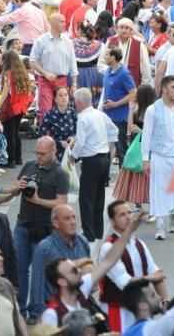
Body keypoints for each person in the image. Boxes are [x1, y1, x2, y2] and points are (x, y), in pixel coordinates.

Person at [39, 211, 145, 328]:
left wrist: (128, 231)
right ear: (62, 282)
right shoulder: (51, 314)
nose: (79, 271)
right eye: (74, 271)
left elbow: (108, 261)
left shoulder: (82, 289)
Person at [10, 137, 70, 320]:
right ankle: (20, 310)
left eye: (42, 154)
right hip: (22, 226)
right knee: (18, 268)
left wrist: (37, 200)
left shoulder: (60, 174)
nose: (38, 156)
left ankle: (37, 311)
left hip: (44, 230)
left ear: (53, 152)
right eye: (36, 152)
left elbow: (62, 202)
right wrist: (17, 187)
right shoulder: (29, 165)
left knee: (39, 273)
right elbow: (15, 186)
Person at [98, 200, 167, 332]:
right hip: (117, 311)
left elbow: (158, 275)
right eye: (122, 215)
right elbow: (125, 283)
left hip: (141, 310)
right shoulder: (108, 248)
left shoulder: (139, 244)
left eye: (129, 213)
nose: (128, 217)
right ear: (112, 221)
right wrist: (150, 278)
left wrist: (165, 303)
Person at [141, 76, 174, 240]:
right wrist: (145, 159)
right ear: (164, 89)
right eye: (173, 87)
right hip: (160, 155)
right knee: (159, 190)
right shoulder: (153, 110)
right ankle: (160, 226)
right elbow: (147, 134)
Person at [71, 87, 118, 242]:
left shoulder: (83, 118)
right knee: (99, 196)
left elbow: (80, 141)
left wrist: (73, 156)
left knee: (86, 198)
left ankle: (89, 233)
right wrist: (108, 144)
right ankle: (98, 231)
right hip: (104, 158)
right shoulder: (100, 114)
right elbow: (114, 130)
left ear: (79, 102)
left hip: (91, 160)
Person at [29, 204, 90, 318]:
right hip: (56, 310)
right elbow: (37, 285)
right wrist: (40, 315)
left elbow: (88, 274)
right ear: (55, 223)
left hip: (80, 307)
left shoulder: (83, 241)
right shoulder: (45, 248)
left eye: (74, 217)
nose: (72, 222)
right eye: (67, 218)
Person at [29, 14, 78, 119]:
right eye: (62, 21)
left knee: (62, 110)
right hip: (45, 80)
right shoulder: (40, 40)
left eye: (64, 21)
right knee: (46, 110)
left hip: (62, 80)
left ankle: (60, 135)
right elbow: (32, 61)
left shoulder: (68, 42)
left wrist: (74, 84)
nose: (65, 24)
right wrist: (45, 73)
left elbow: (73, 63)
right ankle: (46, 135)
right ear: (53, 23)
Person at [99, 46, 137, 163]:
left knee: (121, 149)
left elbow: (133, 93)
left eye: (107, 55)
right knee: (105, 149)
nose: (104, 57)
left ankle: (123, 177)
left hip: (120, 118)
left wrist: (116, 104)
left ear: (113, 57)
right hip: (107, 116)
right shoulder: (108, 71)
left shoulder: (124, 74)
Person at [38, 86, 77, 162]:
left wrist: (73, 139)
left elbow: (79, 130)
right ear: (55, 99)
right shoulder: (49, 114)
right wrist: (57, 143)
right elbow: (42, 134)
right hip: (55, 150)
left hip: (71, 148)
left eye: (66, 95)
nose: (64, 98)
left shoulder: (72, 112)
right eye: (60, 95)